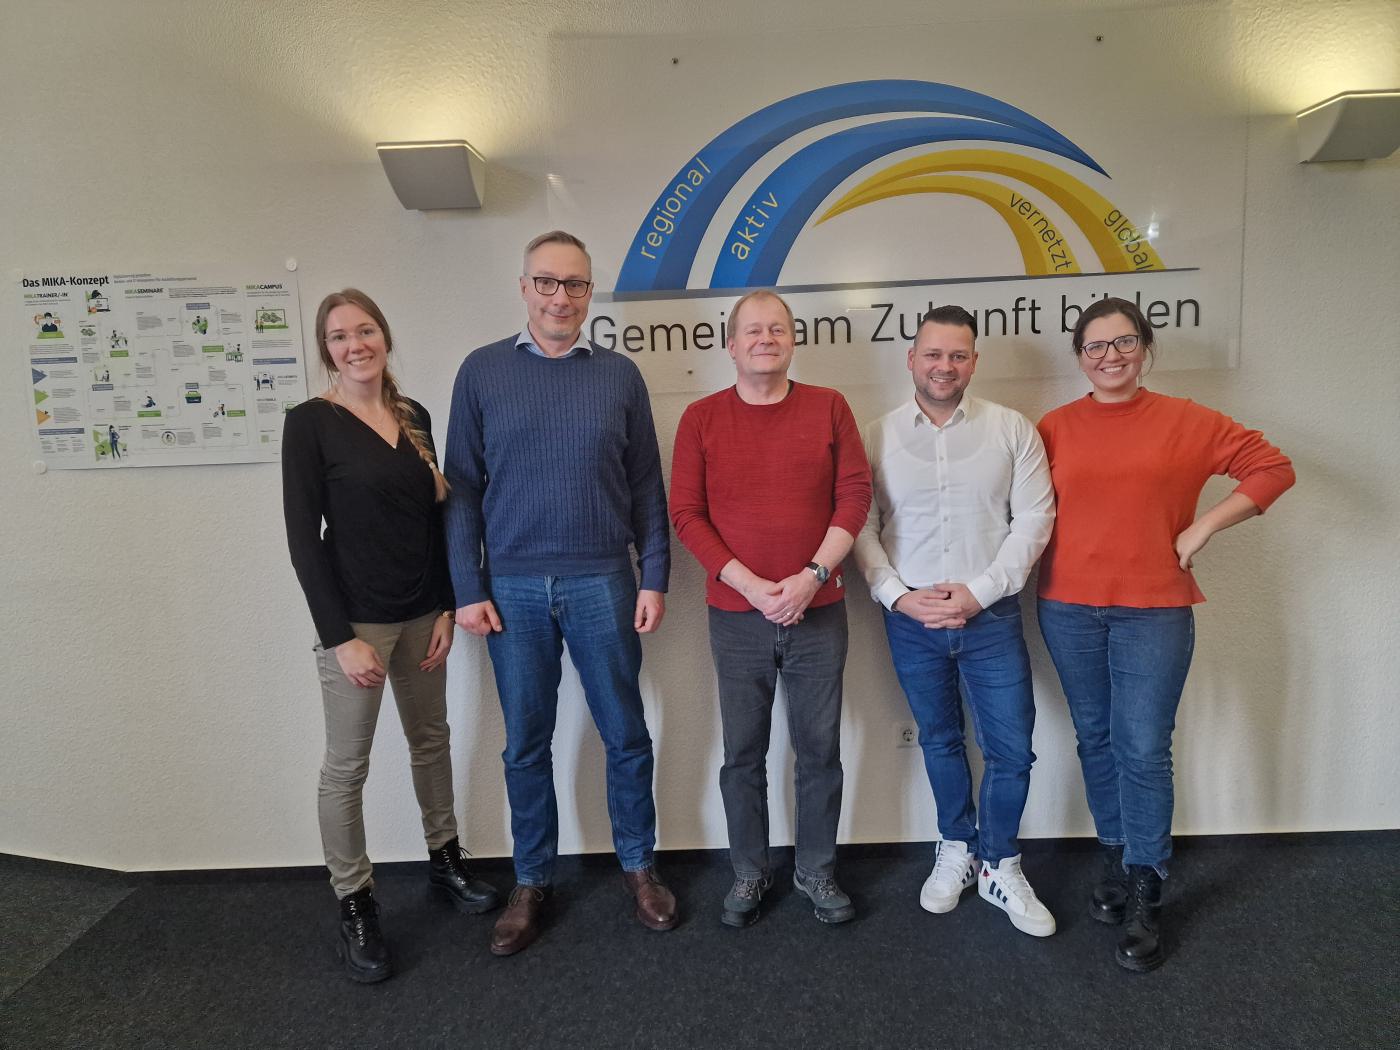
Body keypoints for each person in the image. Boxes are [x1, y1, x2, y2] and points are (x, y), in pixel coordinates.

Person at [1036, 296, 1294, 972]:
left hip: (1154, 609)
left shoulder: (1187, 420)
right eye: (1095, 346)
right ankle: (1115, 857)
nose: (1110, 356)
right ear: (1080, 357)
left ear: (1145, 348)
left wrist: (1202, 526)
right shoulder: (1054, 427)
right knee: (1095, 739)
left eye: (1124, 342)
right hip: (1067, 607)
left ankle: (1148, 884)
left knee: (1143, 748)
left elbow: (1273, 468)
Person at [444, 231, 675, 956]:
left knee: (625, 733)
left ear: (589, 293)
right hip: (510, 587)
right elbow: (461, 491)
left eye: (574, 284)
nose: (560, 297)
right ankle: (532, 880)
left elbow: (647, 487)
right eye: (546, 282)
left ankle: (639, 866)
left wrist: (655, 575)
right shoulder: (481, 372)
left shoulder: (620, 376)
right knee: (525, 744)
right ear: (524, 288)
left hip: (604, 578)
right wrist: (467, 587)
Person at [282, 289, 498, 985]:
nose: (355, 345)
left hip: (422, 616)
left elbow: (435, 522)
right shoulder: (309, 424)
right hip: (358, 625)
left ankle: (445, 860)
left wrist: (446, 607)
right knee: (347, 767)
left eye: (366, 330)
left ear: (385, 337)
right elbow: (303, 540)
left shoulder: (415, 417)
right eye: (339, 336)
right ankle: (355, 901)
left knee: (430, 740)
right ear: (327, 351)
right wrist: (338, 637)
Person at [854, 305, 1057, 938]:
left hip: (990, 617)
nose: (945, 366)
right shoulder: (876, 436)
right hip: (910, 620)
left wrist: (979, 592)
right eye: (933, 354)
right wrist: (896, 596)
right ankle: (957, 846)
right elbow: (859, 524)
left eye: (958, 355)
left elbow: (1035, 520)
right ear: (911, 359)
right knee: (939, 739)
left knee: (1012, 749)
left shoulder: (1012, 429)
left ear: (974, 361)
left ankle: (1000, 862)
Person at [670, 290, 872, 927]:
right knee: (742, 754)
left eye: (778, 329)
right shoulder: (701, 419)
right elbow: (686, 514)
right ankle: (750, 872)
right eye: (753, 330)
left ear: (793, 340)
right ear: (731, 345)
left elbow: (855, 496)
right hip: (736, 617)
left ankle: (816, 870)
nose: (766, 339)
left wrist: (812, 577)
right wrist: (752, 587)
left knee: (820, 751)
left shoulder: (829, 407)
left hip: (820, 610)